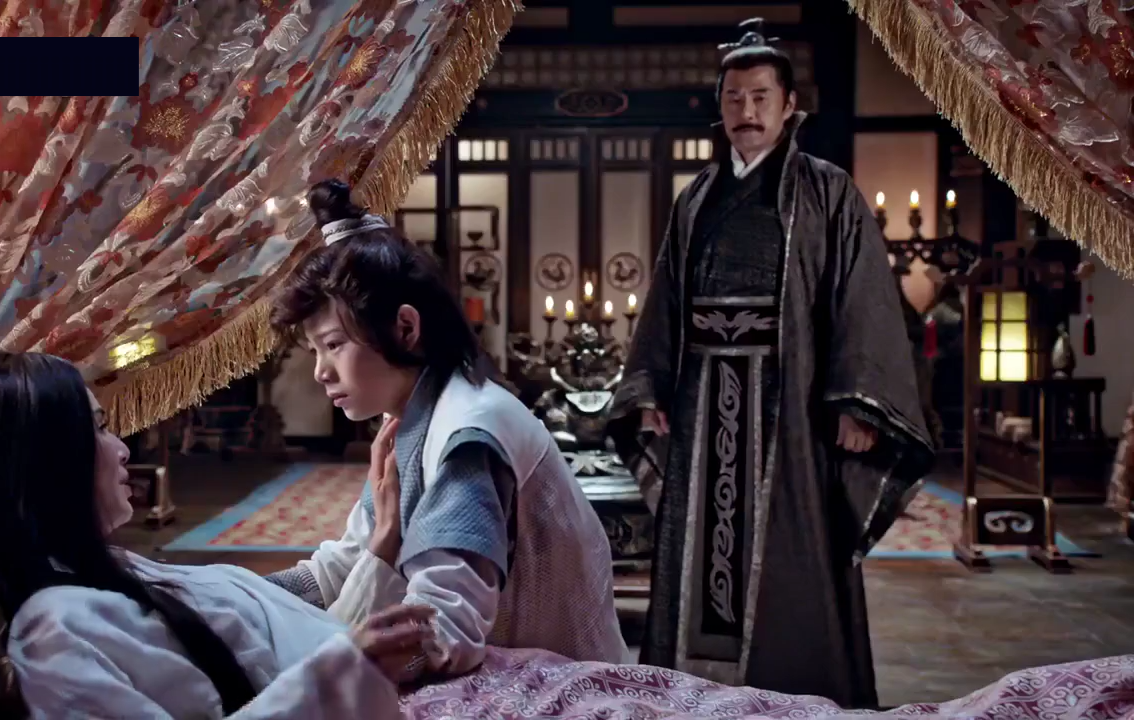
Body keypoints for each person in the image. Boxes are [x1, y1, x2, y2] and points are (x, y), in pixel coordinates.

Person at [606, 19, 934, 709]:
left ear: (789, 107)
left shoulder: (828, 192)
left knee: (792, 557)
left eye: (760, 97)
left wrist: (856, 401)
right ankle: (696, 695)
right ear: (720, 107)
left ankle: (798, 696)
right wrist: (650, 388)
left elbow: (861, 298)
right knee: (698, 549)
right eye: (734, 98)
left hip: (795, 408)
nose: (747, 111)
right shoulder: (697, 199)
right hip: (703, 403)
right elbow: (666, 299)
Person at [0, 352, 435, 719]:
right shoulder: (55, 632)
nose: (123, 448)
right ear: (43, 465)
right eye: (99, 428)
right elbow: (286, 663)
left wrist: (381, 543)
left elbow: (274, 627)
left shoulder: (116, 572)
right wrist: (345, 671)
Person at [266, 179, 627, 681]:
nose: (321, 372)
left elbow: (446, 627)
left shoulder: (468, 432)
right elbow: (349, 560)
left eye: (333, 345)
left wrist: (327, 665)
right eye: (315, 351)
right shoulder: (415, 415)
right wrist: (247, 598)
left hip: (555, 679)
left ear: (405, 328)